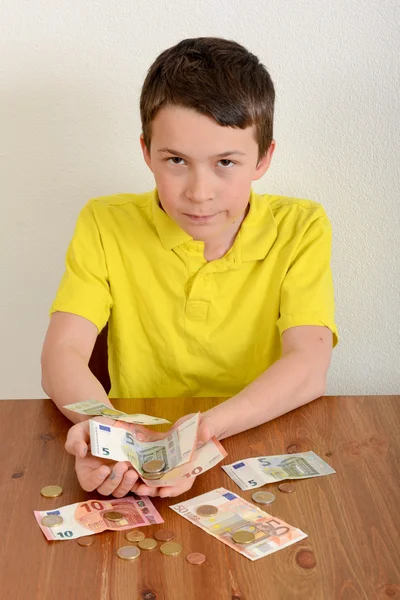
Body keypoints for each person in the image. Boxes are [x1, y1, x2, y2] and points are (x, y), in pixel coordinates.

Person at [41, 36, 338, 500]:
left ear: (263, 158)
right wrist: (105, 430)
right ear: (146, 151)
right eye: (176, 160)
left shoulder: (302, 227)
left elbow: (308, 365)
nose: (200, 192)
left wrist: (203, 433)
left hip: (252, 436)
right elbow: (62, 350)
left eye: (225, 163)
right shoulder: (103, 221)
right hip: (137, 440)